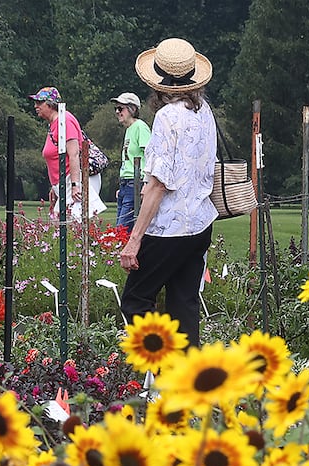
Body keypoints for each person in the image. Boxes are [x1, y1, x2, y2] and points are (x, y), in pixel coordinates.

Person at [118, 38, 217, 348]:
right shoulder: (205, 111)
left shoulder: (166, 117)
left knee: (136, 300)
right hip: (200, 223)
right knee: (184, 307)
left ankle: (155, 368)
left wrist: (134, 240)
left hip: (170, 228)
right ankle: (188, 384)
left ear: (159, 83)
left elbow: (159, 184)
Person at [30, 86, 105, 223]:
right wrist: (55, 188)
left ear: (50, 104)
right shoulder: (54, 124)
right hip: (66, 183)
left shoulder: (65, 121)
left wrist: (76, 185)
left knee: (71, 224)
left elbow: (74, 154)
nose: (36, 106)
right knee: (62, 224)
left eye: (39, 102)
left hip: (75, 180)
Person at [112, 91, 151, 231]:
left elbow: (150, 155)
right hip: (126, 183)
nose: (117, 112)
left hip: (136, 182)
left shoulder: (140, 127)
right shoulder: (129, 130)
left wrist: (146, 183)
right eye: (116, 108)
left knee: (122, 229)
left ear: (132, 109)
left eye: (120, 108)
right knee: (122, 229)